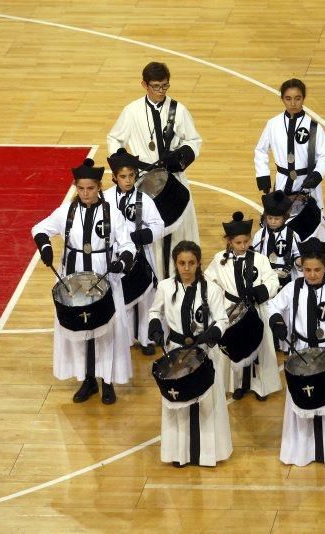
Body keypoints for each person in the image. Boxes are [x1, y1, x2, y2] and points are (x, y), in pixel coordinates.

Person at [31, 158, 135, 404]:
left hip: (104, 277)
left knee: (106, 329)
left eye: (90, 188)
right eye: (81, 188)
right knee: (80, 329)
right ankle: (87, 380)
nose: (86, 193)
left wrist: (122, 262)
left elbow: (128, 244)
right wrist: (45, 247)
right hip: (74, 280)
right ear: (76, 187)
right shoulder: (66, 211)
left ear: (99, 186)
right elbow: (39, 228)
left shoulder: (112, 213)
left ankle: (107, 381)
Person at [267, 238, 325, 467]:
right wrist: (277, 321)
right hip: (300, 354)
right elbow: (272, 306)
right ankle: (302, 451)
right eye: (307, 270)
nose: (311, 275)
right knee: (301, 402)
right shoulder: (292, 289)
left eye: (317, 270)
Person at [107, 61, 202, 279]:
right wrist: (123, 162)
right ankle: (155, 277)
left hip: (173, 178)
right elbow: (114, 138)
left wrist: (180, 156)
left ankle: (183, 276)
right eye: (156, 86)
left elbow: (194, 140)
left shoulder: (179, 110)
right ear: (144, 85)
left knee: (179, 228)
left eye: (165, 86)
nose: (161, 91)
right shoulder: (131, 111)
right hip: (145, 182)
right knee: (151, 230)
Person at [148, 241, 232, 467]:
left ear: (198, 263)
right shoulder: (165, 287)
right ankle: (180, 454)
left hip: (204, 353)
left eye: (191, 263)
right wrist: (155, 325)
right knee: (180, 403)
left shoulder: (212, 289)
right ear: (175, 263)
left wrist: (214, 331)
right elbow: (155, 310)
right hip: (176, 354)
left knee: (206, 404)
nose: (186, 268)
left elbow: (222, 319)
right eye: (182, 263)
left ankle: (207, 454)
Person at [204, 212, 282, 401]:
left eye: (246, 242)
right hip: (232, 312)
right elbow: (207, 280)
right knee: (235, 346)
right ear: (229, 241)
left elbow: (272, 280)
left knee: (259, 347)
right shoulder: (219, 259)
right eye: (238, 243)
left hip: (256, 309)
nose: (243, 246)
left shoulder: (259, 259)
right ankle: (238, 385)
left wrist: (260, 291)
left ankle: (259, 386)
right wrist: (218, 298)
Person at [254, 78, 325, 243]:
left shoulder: (314, 127)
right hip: (282, 181)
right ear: (282, 99)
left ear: (303, 98)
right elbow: (260, 150)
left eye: (297, 98)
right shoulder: (273, 124)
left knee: (312, 227)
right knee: (280, 225)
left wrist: (317, 175)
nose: (293, 103)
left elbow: (324, 156)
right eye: (288, 98)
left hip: (308, 182)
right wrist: (263, 175)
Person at [104, 148, 165, 355]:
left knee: (145, 297)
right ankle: (125, 338)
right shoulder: (105, 200)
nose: (128, 180)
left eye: (131, 176)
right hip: (116, 256)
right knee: (122, 297)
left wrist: (146, 235)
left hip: (140, 254)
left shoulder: (144, 200)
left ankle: (146, 339)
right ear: (114, 177)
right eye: (123, 177)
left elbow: (158, 223)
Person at [252, 190, 302, 288]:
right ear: (265, 217)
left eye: (277, 219)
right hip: (265, 277)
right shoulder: (260, 234)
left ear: (284, 218)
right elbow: (255, 254)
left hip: (286, 278)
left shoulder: (292, 235)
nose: (273, 222)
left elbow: (297, 254)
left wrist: (298, 261)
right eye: (270, 218)